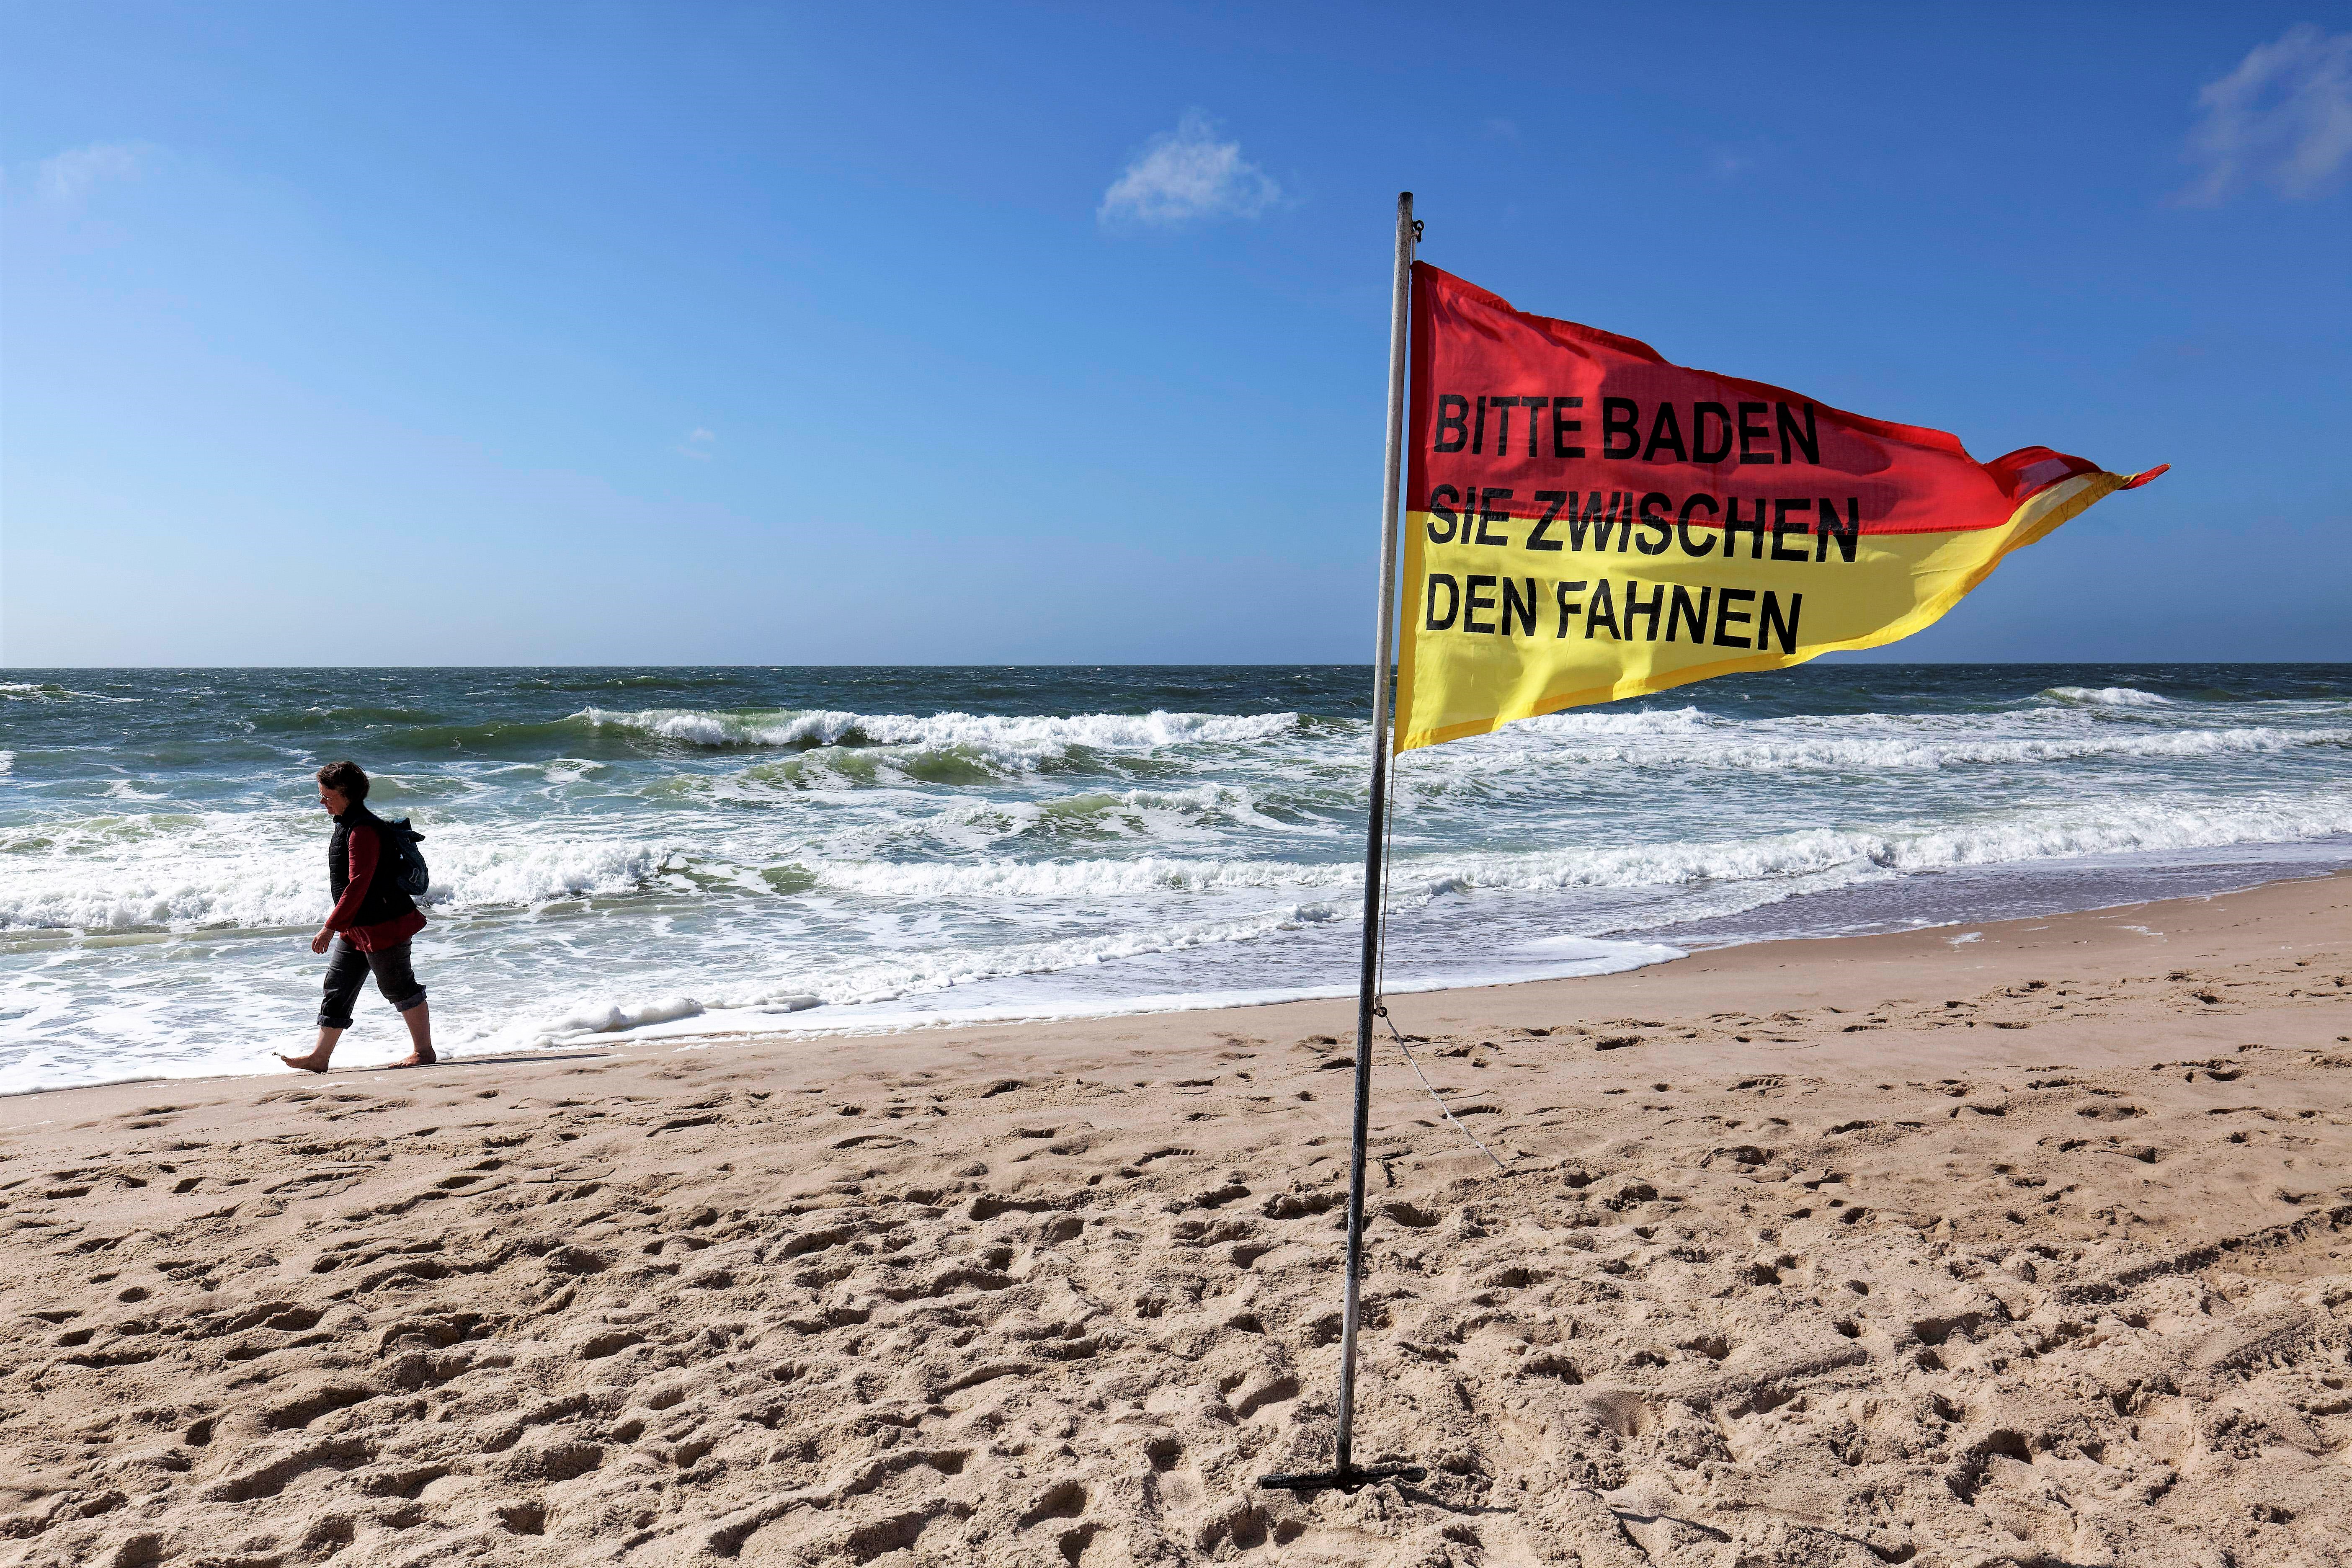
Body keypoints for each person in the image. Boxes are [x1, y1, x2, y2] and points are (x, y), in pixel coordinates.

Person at [278, 760, 436, 1072]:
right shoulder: (347, 823)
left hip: (383, 925)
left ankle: (424, 1051)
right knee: (337, 986)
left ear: (346, 794)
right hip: (358, 926)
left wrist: (329, 927)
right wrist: (342, 924)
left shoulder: (362, 829)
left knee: (399, 987)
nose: (322, 801)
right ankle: (319, 1057)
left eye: (327, 795)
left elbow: (358, 885)